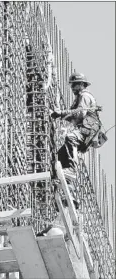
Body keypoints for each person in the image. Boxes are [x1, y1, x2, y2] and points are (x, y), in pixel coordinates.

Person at [51, 72, 103, 209]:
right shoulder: (78, 98)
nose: (72, 88)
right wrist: (61, 114)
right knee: (61, 154)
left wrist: (61, 113)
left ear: (82, 84)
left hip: (87, 129)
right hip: (85, 130)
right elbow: (74, 116)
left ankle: (71, 171)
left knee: (71, 137)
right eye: (72, 85)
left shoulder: (85, 96)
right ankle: (69, 192)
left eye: (75, 85)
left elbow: (80, 114)